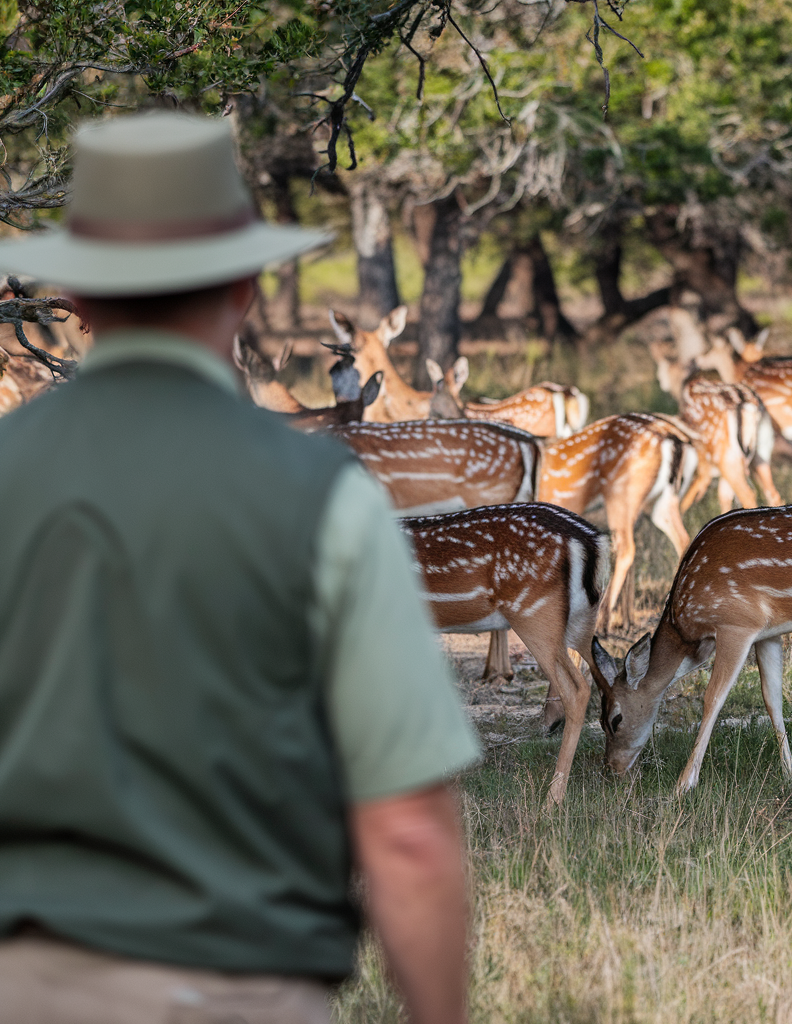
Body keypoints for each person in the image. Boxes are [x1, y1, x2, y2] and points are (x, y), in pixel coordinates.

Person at [0, 112, 479, 1024]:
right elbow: (408, 828)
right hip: (235, 986)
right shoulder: (323, 495)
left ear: (76, 296)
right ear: (248, 286)